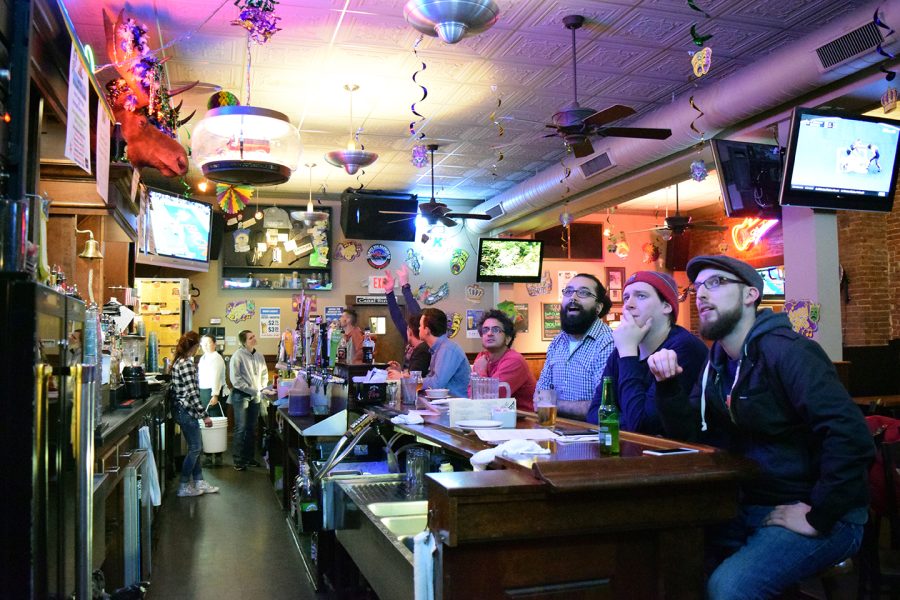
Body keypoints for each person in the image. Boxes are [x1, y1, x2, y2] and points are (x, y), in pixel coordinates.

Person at [648, 255, 874, 599]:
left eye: (717, 283)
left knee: (729, 588)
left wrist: (820, 515)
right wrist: (667, 387)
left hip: (821, 510)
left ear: (751, 295)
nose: (701, 295)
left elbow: (851, 436)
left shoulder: (788, 352)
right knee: (667, 564)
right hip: (748, 504)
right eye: (697, 288)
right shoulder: (717, 363)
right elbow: (689, 434)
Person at [586, 271, 707, 434]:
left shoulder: (683, 348)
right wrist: (628, 421)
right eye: (626, 298)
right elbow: (594, 413)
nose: (629, 304)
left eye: (641, 296)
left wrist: (628, 353)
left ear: (667, 306)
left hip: (685, 456)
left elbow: (641, 426)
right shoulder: (622, 348)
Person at [535, 273, 615, 420]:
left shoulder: (608, 342)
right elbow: (540, 394)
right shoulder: (557, 342)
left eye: (583, 292)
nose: (573, 297)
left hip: (592, 437)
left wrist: (554, 405)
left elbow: (604, 405)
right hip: (554, 430)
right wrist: (545, 403)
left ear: (598, 307)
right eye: (568, 291)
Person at [170, 331, 219, 497]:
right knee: (196, 448)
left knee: (195, 448)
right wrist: (204, 415)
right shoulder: (187, 364)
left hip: (181, 410)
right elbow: (192, 393)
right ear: (195, 346)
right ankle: (183, 485)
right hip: (187, 411)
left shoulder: (179, 361)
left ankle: (199, 481)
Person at [472, 309, 536, 411]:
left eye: (496, 329)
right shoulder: (482, 356)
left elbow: (492, 400)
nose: (489, 333)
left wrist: (480, 372)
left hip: (524, 421)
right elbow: (471, 393)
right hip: (496, 415)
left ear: (508, 338)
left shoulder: (514, 360)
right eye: (485, 330)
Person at [229, 330, 268, 471]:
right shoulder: (237, 356)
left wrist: (262, 388)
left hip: (255, 395)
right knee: (241, 427)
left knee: (252, 428)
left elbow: (264, 374)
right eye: (251, 338)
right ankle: (238, 460)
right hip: (241, 395)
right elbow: (236, 381)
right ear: (244, 342)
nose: (254, 339)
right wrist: (254, 390)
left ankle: (249, 458)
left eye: (254, 336)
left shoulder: (259, 356)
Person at [383, 265, 430, 375]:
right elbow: (397, 318)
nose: (406, 327)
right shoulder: (411, 340)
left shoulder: (425, 344)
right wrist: (389, 292)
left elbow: (417, 314)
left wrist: (405, 286)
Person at [419, 307, 470, 398]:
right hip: (445, 404)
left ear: (427, 330)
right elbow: (432, 379)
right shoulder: (438, 348)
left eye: (420, 326)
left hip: (456, 406)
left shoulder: (447, 349)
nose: (419, 328)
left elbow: (437, 384)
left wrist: (412, 381)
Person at [198, 335, 227, 467]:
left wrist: (215, 394)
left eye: (208, 343)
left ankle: (217, 455)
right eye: (203, 343)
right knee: (207, 422)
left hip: (213, 392)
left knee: (215, 423)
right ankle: (208, 454)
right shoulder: (203, 358)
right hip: (204, 392)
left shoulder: (216, 357)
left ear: (214, 344)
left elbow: (216, 377)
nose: (205, 345)